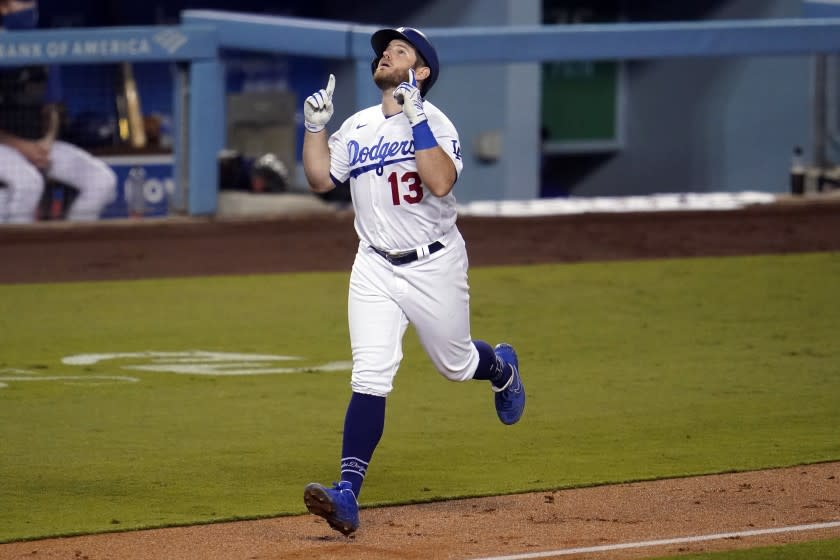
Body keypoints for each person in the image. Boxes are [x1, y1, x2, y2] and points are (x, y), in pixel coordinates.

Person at [300, 26, 525, 537]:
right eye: (384, 49)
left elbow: (441, 181)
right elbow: (319, 181)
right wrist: (314, 127)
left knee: (456, 363)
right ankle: (347, 496)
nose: (385, 54)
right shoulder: (357, 126)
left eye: (399, 51)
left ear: (420, 72)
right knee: (370, 376)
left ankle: (502, 369)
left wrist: (417, 114)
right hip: (374, 265)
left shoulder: (437, 122)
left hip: (434, 264)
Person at [0, 0, 117, 223]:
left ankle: (71, 249)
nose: (30, 8)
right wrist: (23, 147)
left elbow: (52, 108)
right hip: (5, 146)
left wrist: (46, 141)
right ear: (3, 7)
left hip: (37, 145)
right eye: (21, 2)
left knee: (101, 180)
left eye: (31, 2)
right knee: (28, 183)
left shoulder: (45, 46)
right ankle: (18, 255)